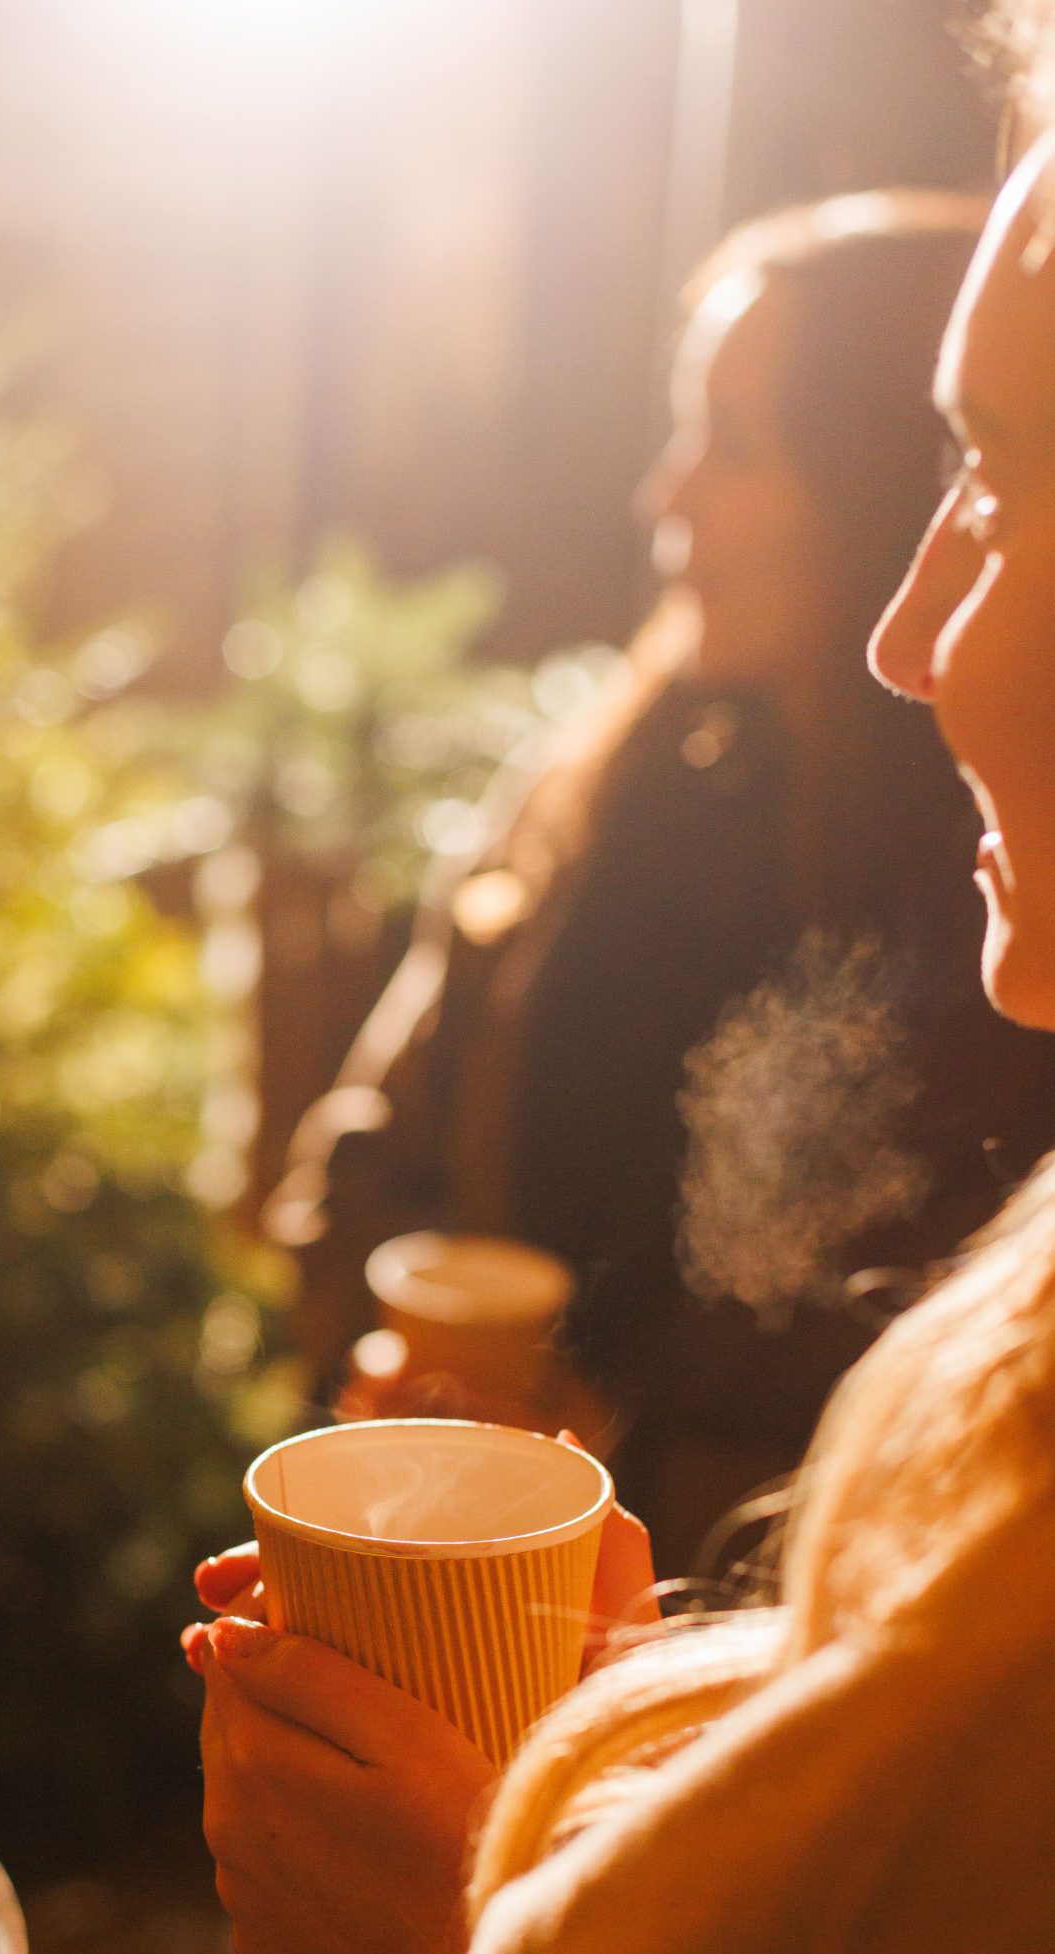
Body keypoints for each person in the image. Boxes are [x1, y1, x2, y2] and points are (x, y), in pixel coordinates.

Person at [189, 59, 1055, 1954]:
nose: (910, 616)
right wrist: (631, 1724)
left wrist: (509, 1932)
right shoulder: (629, 766)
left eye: (982, 486)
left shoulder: (954, 956)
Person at [269, 193, 1055, 1569]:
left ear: (880, 489)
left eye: (734, 447)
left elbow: (953, 1479)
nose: (666, 494)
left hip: (720, 1692)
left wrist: (614, 1472)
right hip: (446, 1585)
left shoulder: (1007, 931)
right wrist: (399, 1365)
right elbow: (366, 1158)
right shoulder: (605, 788)